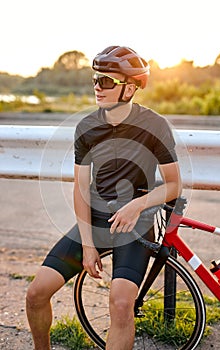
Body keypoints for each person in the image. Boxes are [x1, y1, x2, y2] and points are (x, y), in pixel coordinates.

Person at [26, 45, 182, 350]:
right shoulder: (87, 127)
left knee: (121, 304)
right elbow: (80, 188)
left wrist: (138, 204)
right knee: (35, 294)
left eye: (107, 81)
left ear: (130, 87)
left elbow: (174, 185)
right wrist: (87, 245)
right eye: (96, 80)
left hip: (135, 223)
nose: (98, 87)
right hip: (96, 219)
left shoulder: (154, 125)